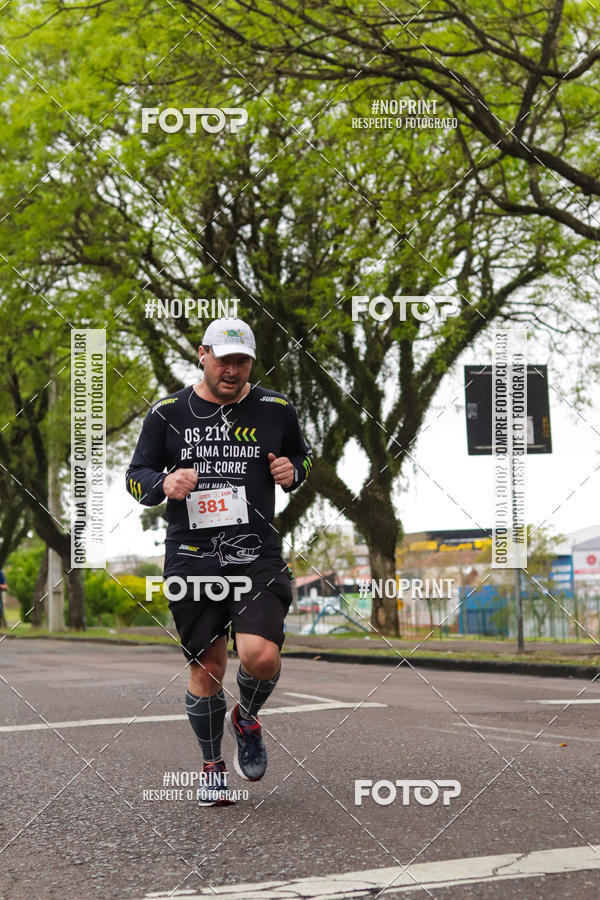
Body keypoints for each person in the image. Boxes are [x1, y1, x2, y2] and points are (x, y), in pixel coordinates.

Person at [126, 317, 313, 805]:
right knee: (207, 668)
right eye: (224, 360)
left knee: (262, 656)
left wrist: (293, 472)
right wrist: (162, 484)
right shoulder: (168, 412)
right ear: (203, 355)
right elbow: (136, 474)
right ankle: (211, 766)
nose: (232, 370)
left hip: (256, 555)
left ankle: (246, 718)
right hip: (191, 558)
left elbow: (304, 458)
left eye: (242, 361)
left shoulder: (276, 408)